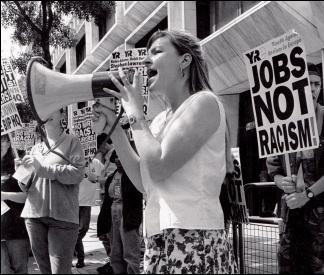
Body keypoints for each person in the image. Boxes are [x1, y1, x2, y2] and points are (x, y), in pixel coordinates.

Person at [92, 29, 238, 274]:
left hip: (193, 239)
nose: (147, 60)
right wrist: (114, 129)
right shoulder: (159, 121)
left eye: (157, 52)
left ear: (185, 60)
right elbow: (143, 180)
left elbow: (158, 167)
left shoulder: (204, 102)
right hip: (161, 239)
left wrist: (135, 114)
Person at [266, 62, 324, 274]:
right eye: (306, 84)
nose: (312, 89)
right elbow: (273, 169)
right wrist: (281, 182)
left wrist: (309, 194)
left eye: (317, 84)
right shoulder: (281, 124)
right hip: (292, 222)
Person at [17, 109, 85, 274]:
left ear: (62, 115)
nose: (48, 112)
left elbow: (77, 174)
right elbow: (26, 186)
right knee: (44, 271)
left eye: (54, 108)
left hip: (63, 217)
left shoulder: (72, 142)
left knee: (60, 271)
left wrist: (43, 169)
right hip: (34, 215)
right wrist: (21, 174)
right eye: (45, 109)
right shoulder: (35, 149)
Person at [97, 150, 143, 274]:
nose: (118, 160)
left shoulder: (134, 175)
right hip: (113, 213)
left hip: (128, 213)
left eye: (121, 156)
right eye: (115, 157)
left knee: (130, 251)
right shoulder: (112, 177)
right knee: (115, 251)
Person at [1, 134, 31, 274]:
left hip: (16, 227)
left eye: (2, 141)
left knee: (20, 269)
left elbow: (28, 197)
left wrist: (4, 195)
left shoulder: (18, 165)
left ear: (8, 143)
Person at [88, 133, 116, 274]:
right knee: (105, 232)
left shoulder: (114, 157)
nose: (99, 151)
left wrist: (97, 178)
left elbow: (113, 180)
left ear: (104, 144)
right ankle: (112, 261)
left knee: (108, 231)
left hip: (111, 198)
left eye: (100, 147)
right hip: (106, 198)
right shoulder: (107, 158)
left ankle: (114, 262)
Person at [73, 158, 99, 268]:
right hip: (72, 200)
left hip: (87, 202)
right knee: (74, 230)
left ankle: (68, 249)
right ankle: (80, 258)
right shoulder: (72, 160)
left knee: (83, 229)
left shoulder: (96, 162)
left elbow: (103, 174)